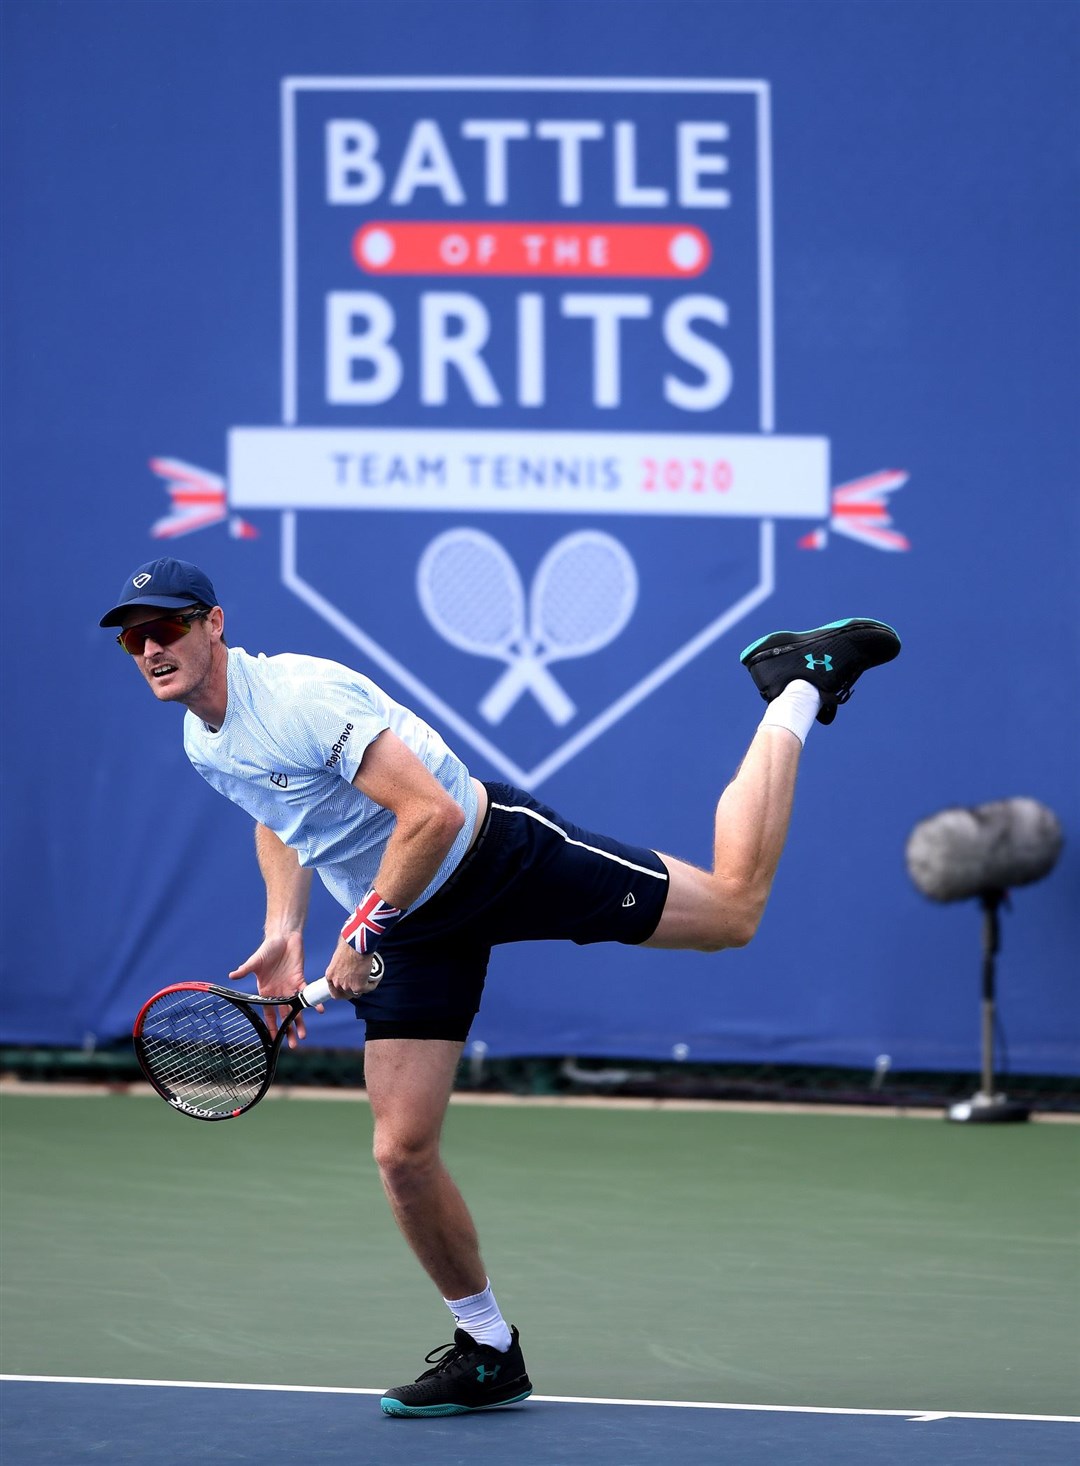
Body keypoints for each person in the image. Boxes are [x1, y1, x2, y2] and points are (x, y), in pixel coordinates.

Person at [100, 555, 900, 1417]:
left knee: (735, 910)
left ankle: (795, 690)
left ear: (214, 625)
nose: (151, 648)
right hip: (408, 922)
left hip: (494, 856)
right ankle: (487, 1348)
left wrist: (362, 927)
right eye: (135, 638)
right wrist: (284, 931)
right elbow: (280, 813)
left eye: (169, 627)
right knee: (401, 1153)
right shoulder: (200, 736)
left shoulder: (298, 699)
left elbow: (431, 816)